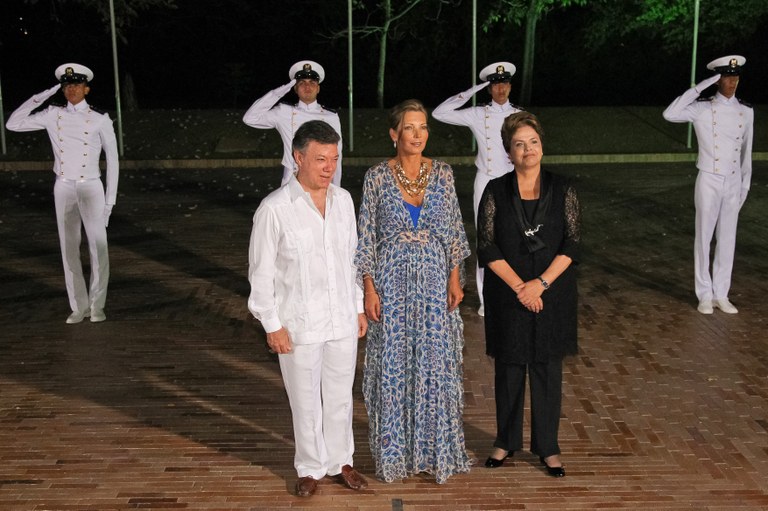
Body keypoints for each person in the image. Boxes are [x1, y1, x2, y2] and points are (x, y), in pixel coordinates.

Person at [247, 120, 368, 498]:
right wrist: (272, 324)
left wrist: (359, 308)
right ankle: (309, 466)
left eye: (334, 158)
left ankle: (341, 461)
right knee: (304, 401)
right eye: (320, 159)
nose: (329, 167)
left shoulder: (344, 201)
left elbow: (354, 260)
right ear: (298, 158)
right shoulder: (275, 209)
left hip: (342, 319)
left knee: (339, 396)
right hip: (298, 323)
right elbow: (261, 273)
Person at [355, 99, 471, 484]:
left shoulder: (443, 174)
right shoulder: (376, 177)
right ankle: (395, 456)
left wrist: (455, 279)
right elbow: (366, 238)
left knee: (434, 368)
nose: (418, 134)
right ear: (394, 134)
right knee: (394, 369)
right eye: (409, 127)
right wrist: (369, 289)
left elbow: (454, 230)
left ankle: (431, 453)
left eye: (422, 127)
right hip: (391, 285)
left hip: (437, 284)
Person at [477, 111, 580, 477]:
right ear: (508, 151)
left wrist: (542, 284)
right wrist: (521, 287)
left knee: (547, 367)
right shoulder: (495, 190)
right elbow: (487, 246)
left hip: (553, 292)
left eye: (533, 142)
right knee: (508, 366)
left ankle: (548, 448)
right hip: (509, 293)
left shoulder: (564, 189)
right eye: (519, 144)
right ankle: (505, 441)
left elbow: (573, 243)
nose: (527, 149)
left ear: (542, 145)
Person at [6, 63, 119, 324]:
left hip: (91, 186)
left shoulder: (100, 118)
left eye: (76, 85)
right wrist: (44, 94)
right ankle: (78, 306)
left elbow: (112, 161)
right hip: (64, 185)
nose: (71, 90)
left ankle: (97, 305)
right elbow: (13, 123)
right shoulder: (52, 114)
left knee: (97, 247)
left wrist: (110, 201)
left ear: (86, 88)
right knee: (68, 248)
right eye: (67, 86)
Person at [662, 55, 753, 315]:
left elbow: (746, 153)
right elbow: (670, 113)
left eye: (735, 77)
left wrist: (745, 186)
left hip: (733, 180)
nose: (732, 82)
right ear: (717, 79)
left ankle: (721, 294)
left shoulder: (746, 111)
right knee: (704, 236)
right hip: (709, 178)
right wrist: (700, 86)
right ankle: (704, 293)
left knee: (728, 239)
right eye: (726, 77)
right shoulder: (702, 108)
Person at [433, 61, 523, 317]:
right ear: (489, 87)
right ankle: (486, 299)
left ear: (510, 85)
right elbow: (440, 113)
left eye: (504, 83)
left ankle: (514, 291)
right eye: (495, 84)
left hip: (513, 180)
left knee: (515, 237)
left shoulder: (520, 114)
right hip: (485, 179)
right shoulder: (478, 113)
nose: (501, 89)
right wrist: (473, 89)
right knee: (486, 239)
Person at [243, 60, 343, 187]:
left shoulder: (331, 116)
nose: (307, 87)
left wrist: (336, 188)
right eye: (302, 83)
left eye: (312, 83)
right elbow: (250, 118)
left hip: (321, 178)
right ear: (295, 88)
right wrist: (279, 92)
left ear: (318, 88)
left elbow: (337, 156)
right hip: (292, 179)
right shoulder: (284, 111)